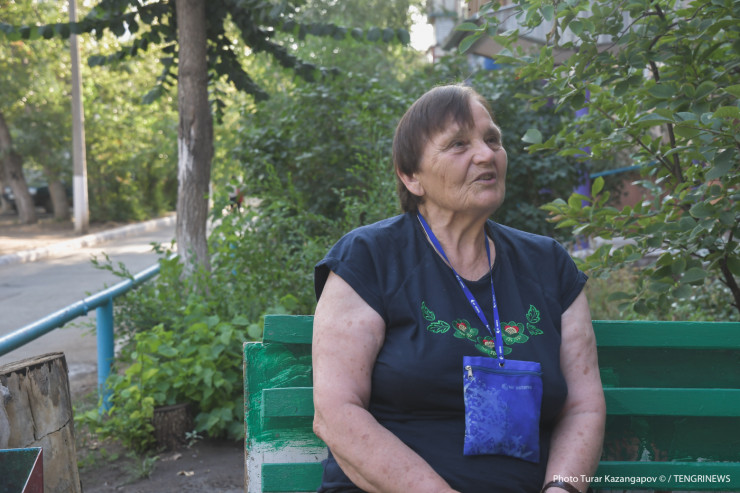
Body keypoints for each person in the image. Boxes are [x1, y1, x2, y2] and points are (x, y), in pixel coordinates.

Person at [312, 84, 606, 493]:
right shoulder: (370, 257)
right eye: (458, 144)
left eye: (492, 139)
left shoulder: (548, 264)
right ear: (411, 176)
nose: (486, 154)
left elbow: (582, 409)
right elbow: (336, 414)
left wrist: (562, 489)